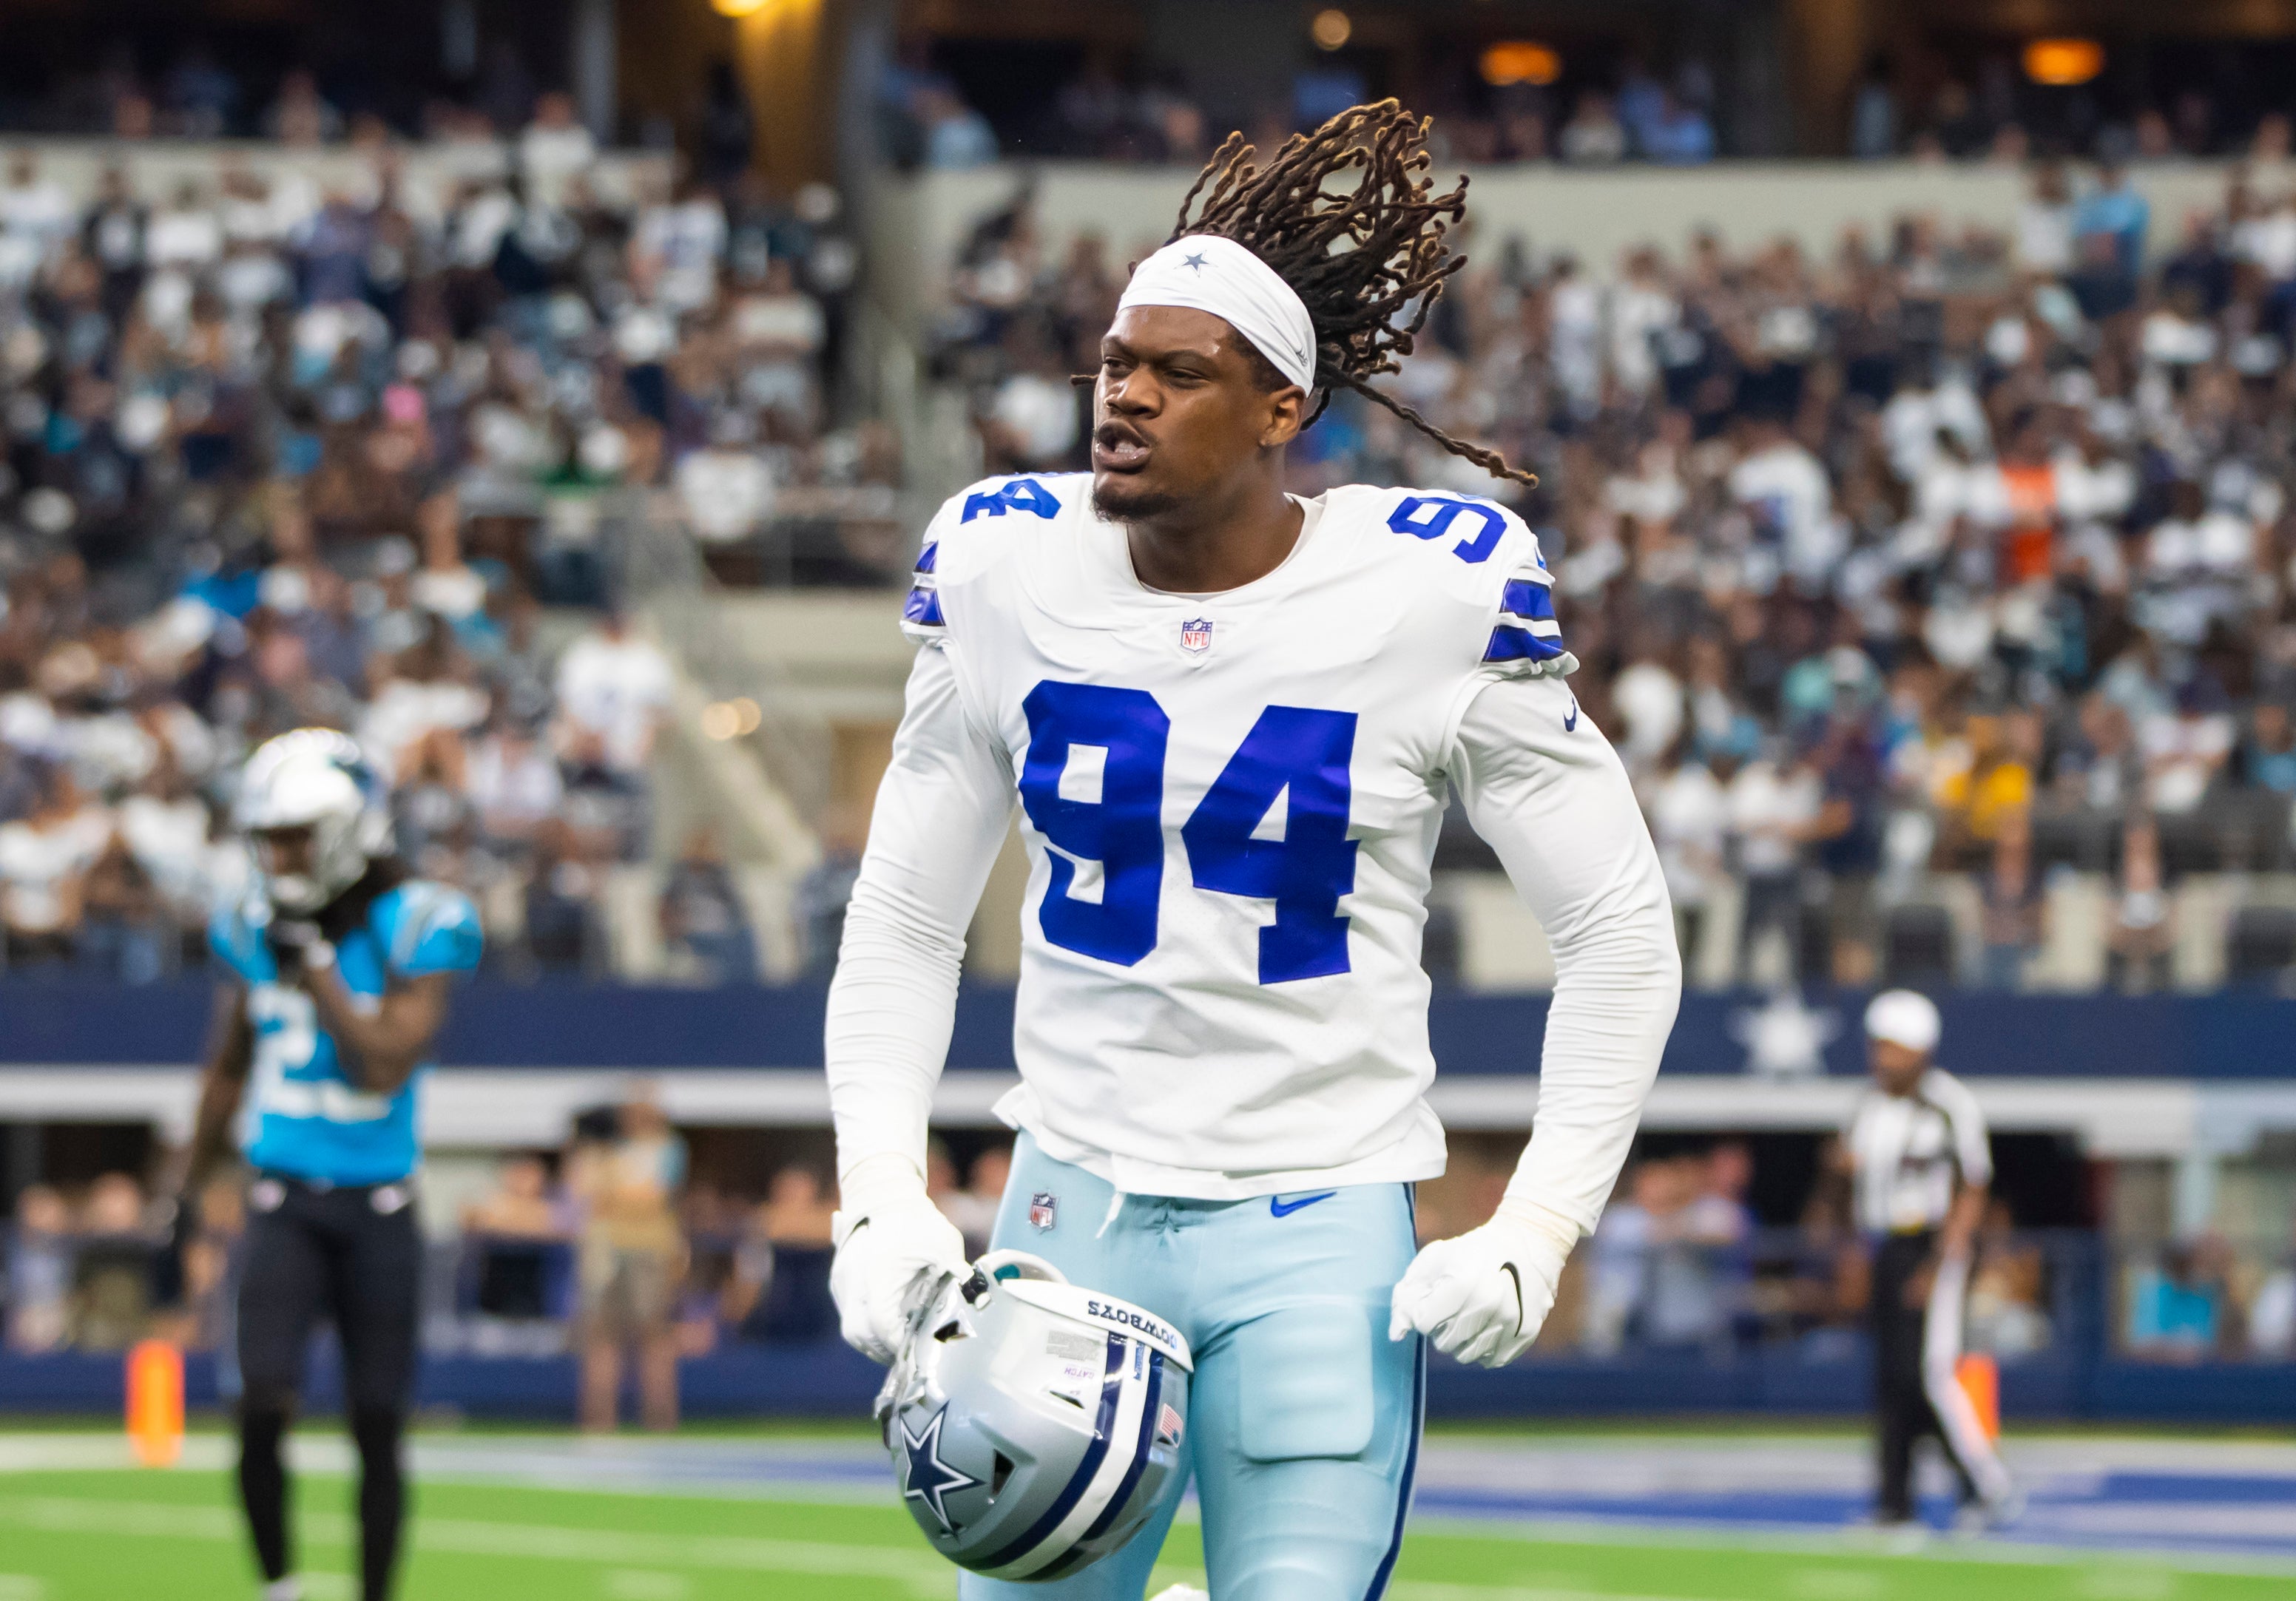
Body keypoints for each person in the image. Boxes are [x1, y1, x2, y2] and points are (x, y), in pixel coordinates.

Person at [824, 101, 1680, 1600]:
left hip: (1317, 1221)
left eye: (1178, 371)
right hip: (1067, 1205)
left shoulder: (1429, 592)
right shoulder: (1003, 565)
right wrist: (878, 1186)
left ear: (1282, 407)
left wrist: (1539, 1221)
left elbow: (1617, 927)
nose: (1126, 396)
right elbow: (903, 913)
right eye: (1115, 363)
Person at [176, 728, 484, 1601]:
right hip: (283, 1198)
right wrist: (185, 1185)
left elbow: (384, 1061)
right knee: (259, 1400)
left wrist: (314, 966)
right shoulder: (249, 921)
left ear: (346, 829)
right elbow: (227, 1063)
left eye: (295, 836)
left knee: (379, 1419)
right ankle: (280, 1587)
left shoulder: (419, 918)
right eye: (268, 836)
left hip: (380, 1204)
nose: (277, 855)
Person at [1838, 990, 2016, 1533]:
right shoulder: (1869, 1104)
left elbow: (1973, 1185)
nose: (1879, 1058)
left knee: (1932, 1375)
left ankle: (1986, 1482)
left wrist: (1939, 1262)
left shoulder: (1948, 1103)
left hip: (1934, 1245)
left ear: (1917, 1049)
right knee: (1890, 1379)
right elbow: (1859, 1177)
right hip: (1887, 1244)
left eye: (1890, 1047)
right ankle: (1895, 1501)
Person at [568, 1084, 689, 1431]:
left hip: (650, 1250)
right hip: (606, 1250)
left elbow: (653, 1197)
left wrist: (614, 1194)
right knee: (601, 1335)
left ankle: (660, 1419)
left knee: (654, 1334)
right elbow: (584, 1191)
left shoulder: (666, 1148)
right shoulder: (605, 1149)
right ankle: (598, 1419)